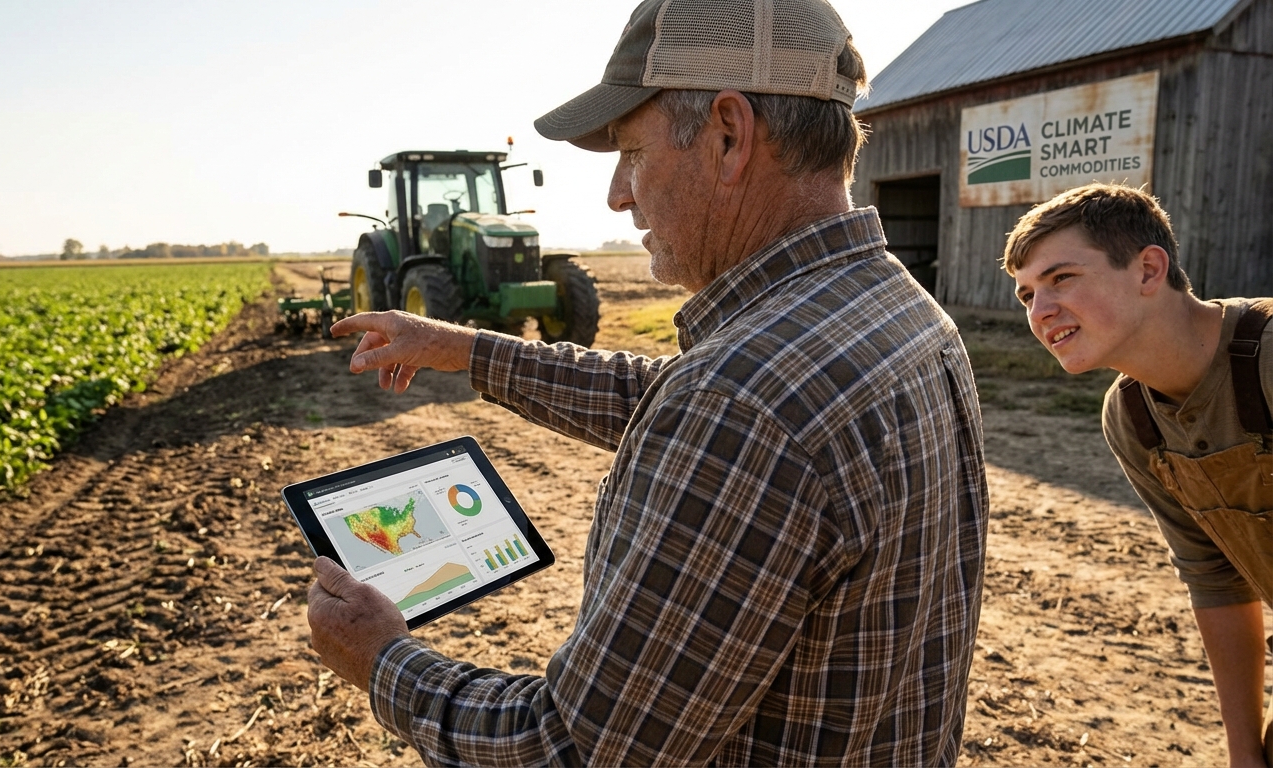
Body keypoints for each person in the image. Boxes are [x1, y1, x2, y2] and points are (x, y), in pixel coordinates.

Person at [307, 0, 988, 764]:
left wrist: (382, 660)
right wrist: (462, 347)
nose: (618, 195)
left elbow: (571, 749)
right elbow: (675, 399)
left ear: (730, 136)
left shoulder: (743, 401)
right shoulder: (897, 312)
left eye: (632, 152)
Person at [1004, 183, 1273, 768]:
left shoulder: (1270, 358)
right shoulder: (1132, 419)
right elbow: (1216, 583)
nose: (1039, 312)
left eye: (1062, 279)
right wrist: (1245, 753)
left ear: (1149, 270)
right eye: (1026, 295)